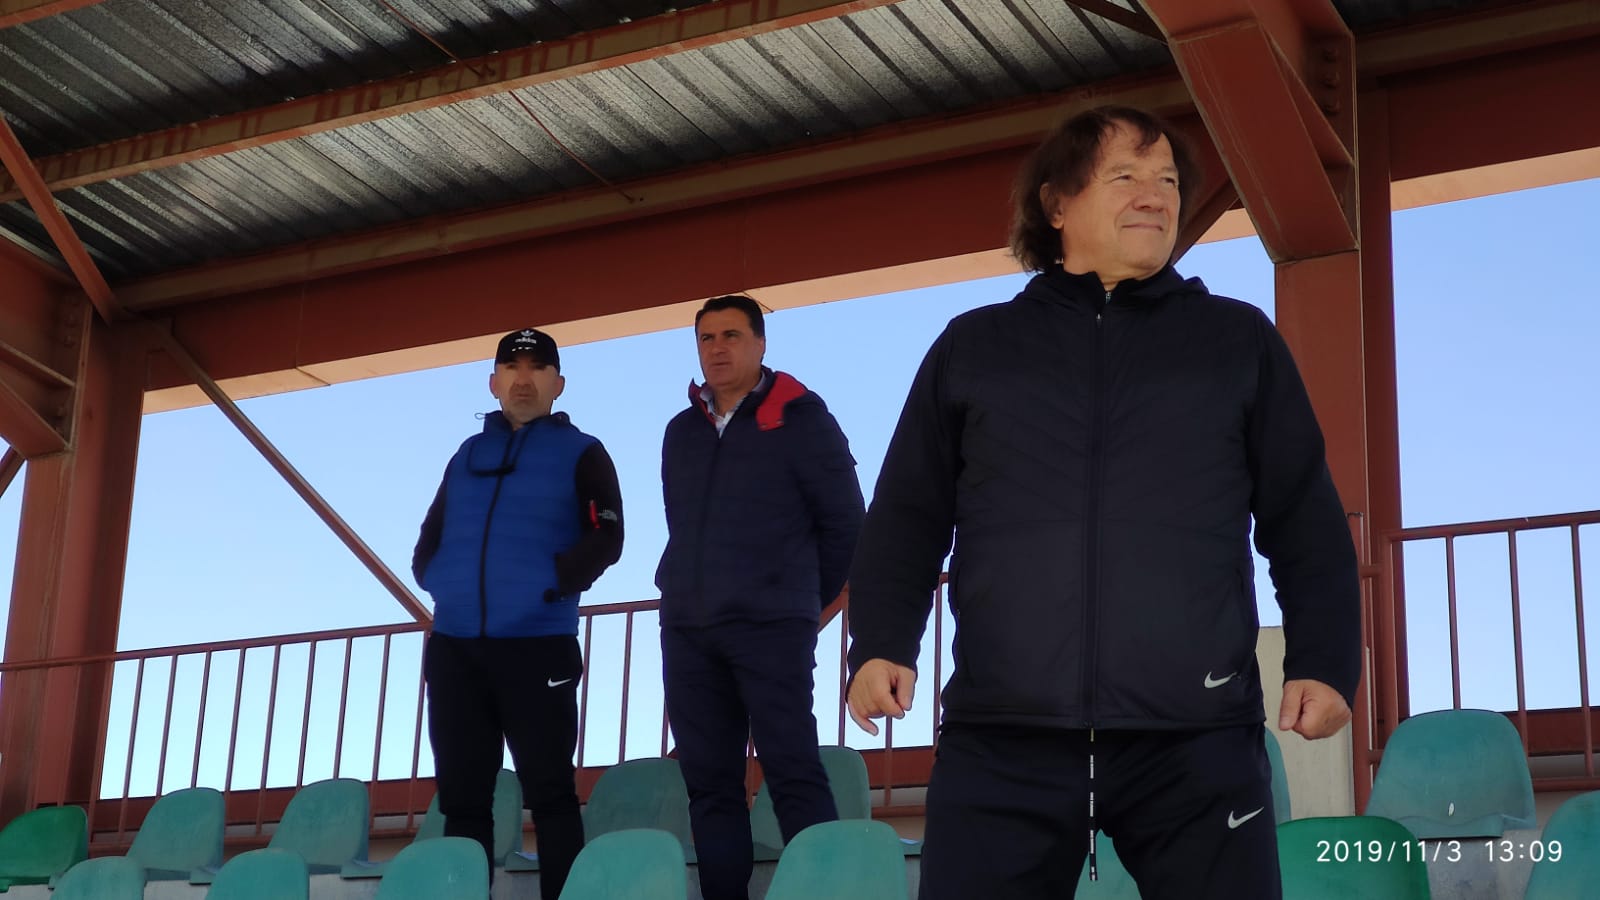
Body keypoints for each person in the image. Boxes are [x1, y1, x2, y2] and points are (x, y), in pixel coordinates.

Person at [844, 106, 1361, 899]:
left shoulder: (1237, 341)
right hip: (1002, 736)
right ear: (1056, 204)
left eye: (1168, 181)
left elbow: (1303, 516)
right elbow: (907, 513)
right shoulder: (974, 347)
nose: (1154, 196)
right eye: (1125, 176)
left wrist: (1324, 660)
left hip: (1196, 737)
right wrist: (882, 641)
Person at [655, 295, 866, 900]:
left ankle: (827, 893)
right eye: (706, 338)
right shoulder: (681, 431)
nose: (717, 348)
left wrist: (797, 602)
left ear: (760, 344)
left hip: (772, 626)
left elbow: (846, 525)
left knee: (792, 768)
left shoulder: (803, 418)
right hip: (689, 631)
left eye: (731, 335)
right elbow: (681, 525)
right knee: (709, 784)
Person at [412, 328, 623, 899]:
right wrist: (436, 580)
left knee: (550, 793)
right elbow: (431, 534)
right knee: (462, 799)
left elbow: (606, 536)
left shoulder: (583, 451)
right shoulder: (467, 454)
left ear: (558, 383)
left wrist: (550, 585)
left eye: (536, 368)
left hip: (538, 645)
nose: (522, 379)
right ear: (493, 382)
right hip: (456, 648)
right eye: (511, 367)